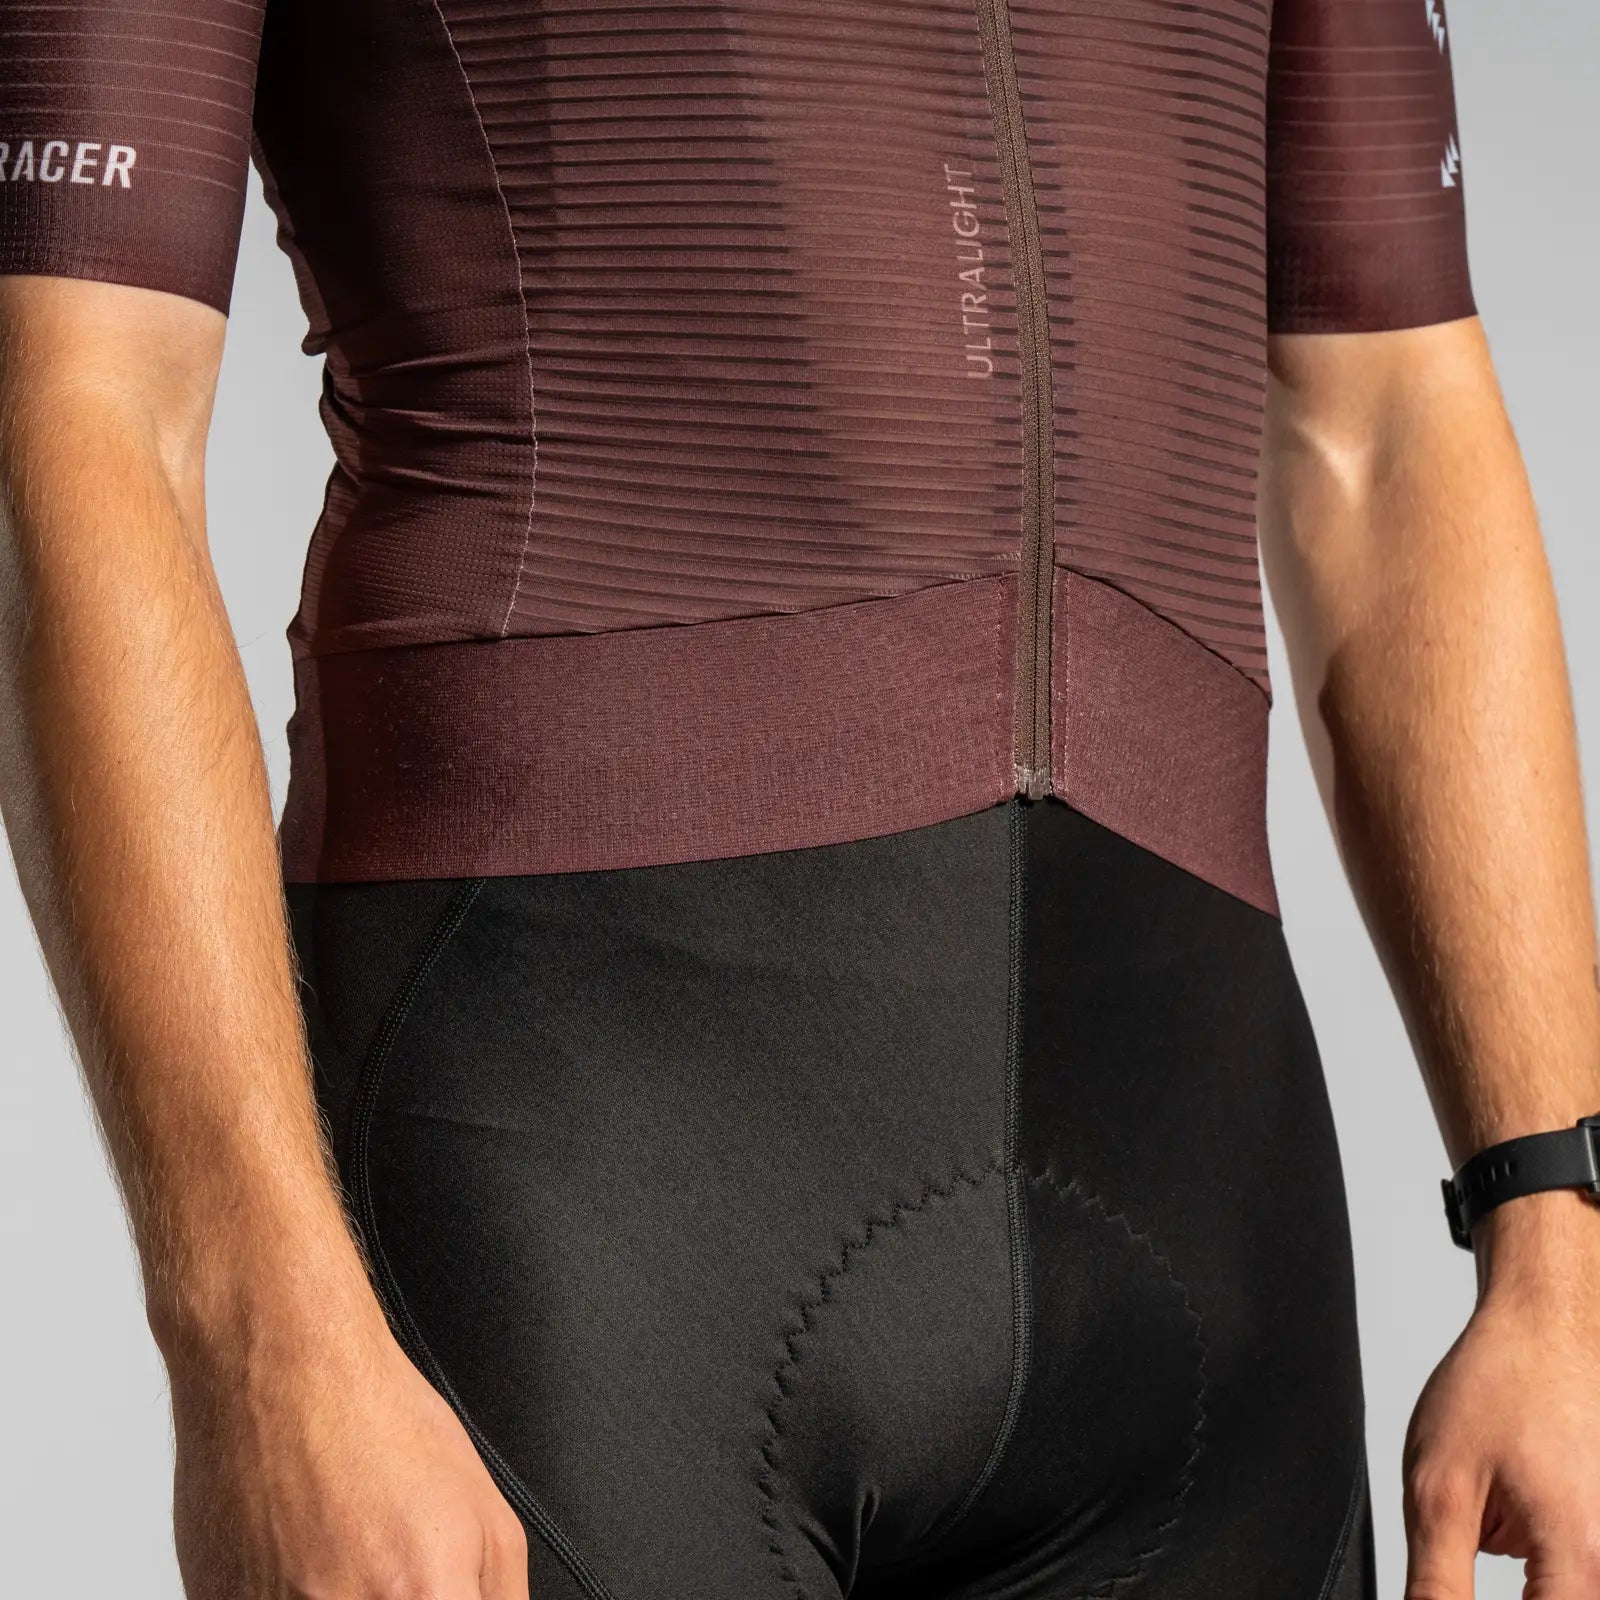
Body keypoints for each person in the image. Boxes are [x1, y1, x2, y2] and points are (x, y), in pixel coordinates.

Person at [1, 0, 1597, 1596]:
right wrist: (258, 1336)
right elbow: (78, 415)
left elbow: (1390, 424)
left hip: (1199, 1216)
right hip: (571, 1175)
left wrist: (1556, 1232)